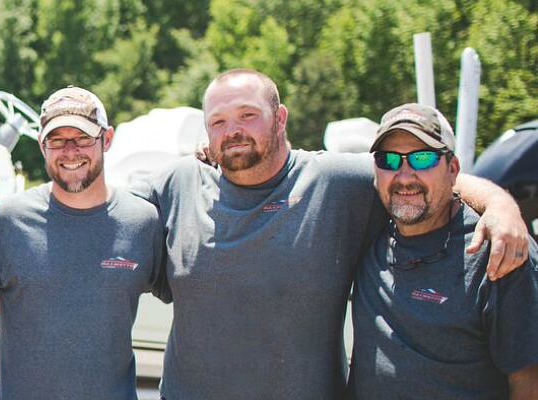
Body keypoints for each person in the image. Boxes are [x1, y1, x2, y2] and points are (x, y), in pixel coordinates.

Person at [134, 68, 531, 399]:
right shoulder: (178, 183)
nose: (233, 130)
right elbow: (103, 215)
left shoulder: (337, 182)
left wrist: (500, 207)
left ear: (280, 117)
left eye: (247, 115)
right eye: (219, 122)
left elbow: (424, 181)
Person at [0, 86, 165, 399]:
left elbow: (192, 298)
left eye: (82, 138)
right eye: (57, 139)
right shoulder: (6, 219)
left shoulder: (142, 222)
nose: (70, 150)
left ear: (106, 139)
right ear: (42, 145)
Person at [349, 103, 538, 399]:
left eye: (422, 158)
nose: (405, 175)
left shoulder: (498, 250)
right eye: (389, 159)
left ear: (452, 169)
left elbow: (529, 383)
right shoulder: (365, 228)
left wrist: (500, 204)